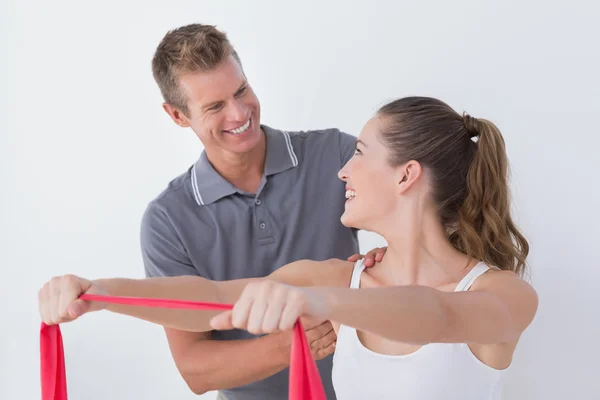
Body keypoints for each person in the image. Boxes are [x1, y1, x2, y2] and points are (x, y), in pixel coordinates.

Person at [39, 96, 538, 399]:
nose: (343, 170)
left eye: (359, 155)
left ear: (407, 175)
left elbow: (438, 317)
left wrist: (319, 303)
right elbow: (213, 300)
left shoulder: (503, 295)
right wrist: (98, 294)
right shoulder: (342, 278)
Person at [139, 23, 386, 400]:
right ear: (177, 115)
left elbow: (415, 215)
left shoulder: (334, 155)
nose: (239, 114)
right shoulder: (167, 221)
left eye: (241, 91)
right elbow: (195, 369)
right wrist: (298, 341)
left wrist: (388, 259)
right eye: (216, 106)